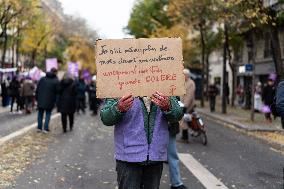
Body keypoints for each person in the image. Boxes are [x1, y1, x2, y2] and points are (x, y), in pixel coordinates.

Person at [100, 92, 183, 189]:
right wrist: (118, 108)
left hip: (155, 156)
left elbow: (178, 114)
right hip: (128, 158)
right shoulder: (120, 83)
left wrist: (168, 106)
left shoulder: (164, 83)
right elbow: (106, 118)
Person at [36, 68, 59, 133]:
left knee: (40, 114)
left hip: (41, 99)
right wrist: (56, 102)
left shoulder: (42, 79)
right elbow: (57, 93)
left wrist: (37, 98)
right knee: (48, 114)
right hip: (50, 100)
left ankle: (39, 128)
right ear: (55, 73)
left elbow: (37, 89)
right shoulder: (56, 81)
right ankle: (45, 128)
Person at [180, 69, 196, 142]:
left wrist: (185, 106)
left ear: (187, 75)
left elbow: (189, 96)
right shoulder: (184, 82)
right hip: (183, 104)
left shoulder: (190, 83)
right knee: (185, 120)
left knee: (184, 120)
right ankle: (185, 136)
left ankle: (185, 137)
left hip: (188, 105)